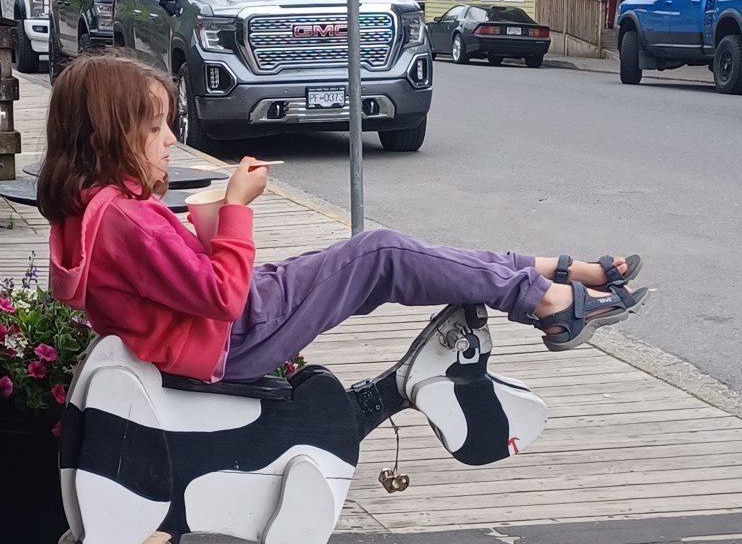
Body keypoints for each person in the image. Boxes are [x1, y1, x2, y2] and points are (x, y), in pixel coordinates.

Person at [38, 55, 648, 392]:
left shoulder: (93, 209)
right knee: (381, 253)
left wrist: (210, 222)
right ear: (106, 137)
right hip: (238, 334)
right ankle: (548, 298)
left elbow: (178, 283)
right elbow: (220, 295)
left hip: (234, 322)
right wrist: (237, 211)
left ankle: (553, 277)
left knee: (386, 255)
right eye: (155, 128)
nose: (171, 139)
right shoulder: (125, 219)